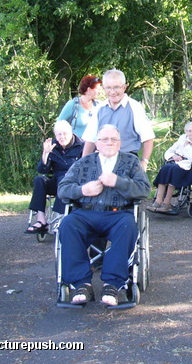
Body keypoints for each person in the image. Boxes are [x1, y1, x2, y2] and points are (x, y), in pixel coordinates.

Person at [57, 124, 151, 306]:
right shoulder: (84, 162)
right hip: (85, 213)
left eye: (114, 139)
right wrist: (82, 190)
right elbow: (62, 189)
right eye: (104, 139)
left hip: (118, 214)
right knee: (68, 224)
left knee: (128, 225)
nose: (109, 143)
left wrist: (118, 182)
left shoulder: (131, 162)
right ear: (97, 143)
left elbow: (144, 189)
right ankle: (81, 284)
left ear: (120, 143)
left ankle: (112, 284)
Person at [81, 69, 155, 172]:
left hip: (127, 161)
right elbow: (90, 141)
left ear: (124, 87)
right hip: (102, 162)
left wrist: (144, 162)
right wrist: (83, 164)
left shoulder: (134, 107)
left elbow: (148, 138)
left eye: (116, 87)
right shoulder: (99, 109)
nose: (112, 92)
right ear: (104, 88)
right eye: (108, 88)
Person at [24, 120, 85, 234]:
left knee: (63, 179)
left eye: (65, 133)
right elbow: (42, 170)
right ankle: (41, 221)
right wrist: (45, 154)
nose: (62, 137)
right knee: (39, 180)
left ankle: (61, 219)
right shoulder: (52, 146)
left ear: (71, 132)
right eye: (59, 134)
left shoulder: (82, 146)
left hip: (74, 184)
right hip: (56, 181)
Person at [147, 122, 192, 214]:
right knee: (165, 169)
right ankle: (158, 201)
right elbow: (170, 150)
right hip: (178, 162)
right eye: (189, 131)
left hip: (191, 167)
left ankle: (166, 204)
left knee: (174, 170)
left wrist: (187, 146)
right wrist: (173, 156)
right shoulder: (182, 138)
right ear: (186, 131)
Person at [57, 75, 102, 139]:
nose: (99, 92)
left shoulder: (99, 106)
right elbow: (58, 125)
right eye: (97, 89)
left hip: (94, 147)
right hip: (75, 147)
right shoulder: (72, 105)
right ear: (89, 89)